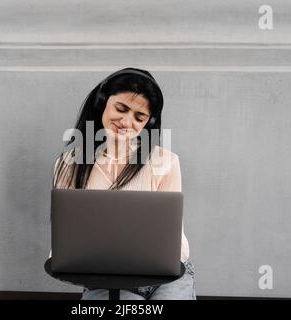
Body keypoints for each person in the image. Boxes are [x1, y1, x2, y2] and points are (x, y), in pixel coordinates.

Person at [52, 67, 196, 300]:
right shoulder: (69, 164)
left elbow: (175, 242)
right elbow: (64, 241)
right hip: (103, 278)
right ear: (102, 103)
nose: (127, 121)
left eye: (140, 117)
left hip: (166, 278)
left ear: (148, 123)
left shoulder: (166, 162)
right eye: (121, 108)